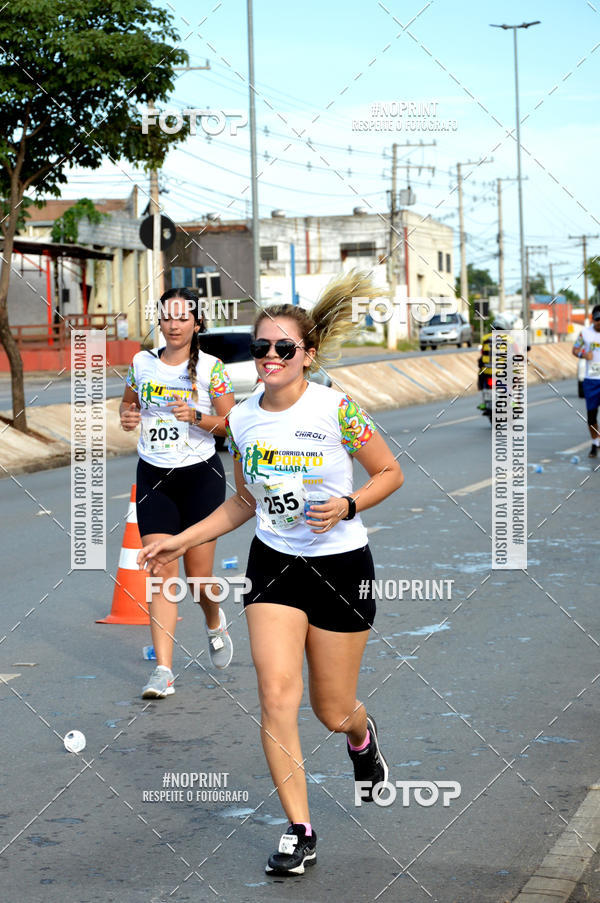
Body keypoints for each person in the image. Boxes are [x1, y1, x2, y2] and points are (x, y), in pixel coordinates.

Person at [137, 271, 404, 875]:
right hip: (274, 565)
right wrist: (179, 539)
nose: (271, 357)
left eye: (285, 348)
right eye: (261, 348)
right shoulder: (242, 422)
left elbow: (389, 472)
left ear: (307, 355)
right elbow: (242, 503)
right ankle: (300, 829)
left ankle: (362, 738)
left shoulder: (336, 408)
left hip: (341, 566)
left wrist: (349, 504)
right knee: (276, 695)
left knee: (331, 710)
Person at [120, 287, 236, 699]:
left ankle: (213, 619)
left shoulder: (211, 368)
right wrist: (128, 416)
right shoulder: (142, 362)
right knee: (161, 570)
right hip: (154, 475)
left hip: (200, 476)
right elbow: (128, 405)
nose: (173, 324)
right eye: (166, 317)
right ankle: (164, 672)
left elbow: (231, 425)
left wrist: (199, 417)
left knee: (198, 579)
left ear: (196, 323)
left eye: (182, 317)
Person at [572, 304, 600, 458]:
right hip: (591, 381)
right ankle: (595, 443)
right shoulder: (585, 333)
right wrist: (584, 354)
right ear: (592, 319)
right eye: (597, 320)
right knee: (591, 417)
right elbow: (575, 349)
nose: (599, 323)